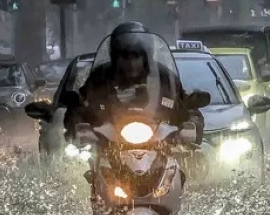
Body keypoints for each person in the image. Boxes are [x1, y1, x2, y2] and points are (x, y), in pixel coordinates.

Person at [64, 22, 201, 143]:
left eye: (136, 56)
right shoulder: (99, 78)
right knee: (80, 164)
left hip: (160, 146)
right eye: (124, 57)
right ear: (115, 57)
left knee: (192, 161)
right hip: (108, 146)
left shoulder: (165, 78)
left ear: (146, 56)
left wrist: (190, 125)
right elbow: (81, 107)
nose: (131, 63)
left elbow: (186, 107)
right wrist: (79, 126)